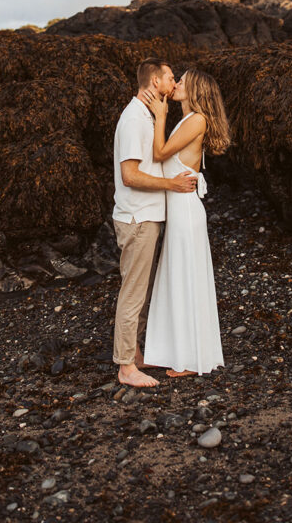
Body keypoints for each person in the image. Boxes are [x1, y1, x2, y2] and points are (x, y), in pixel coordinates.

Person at [112, 58, 197, 388]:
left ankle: (134, 355)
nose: (174, 83)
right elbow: (130, 175)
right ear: (155, 82)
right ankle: (125, 366)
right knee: (133, 293)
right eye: (170, 78)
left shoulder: (146, 116)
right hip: (138, 217)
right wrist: (172, 185)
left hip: (146, 215)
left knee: (138, 291)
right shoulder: (134, 118)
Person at [142, 68, 230, 377]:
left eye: (182, 81)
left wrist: (159, 114)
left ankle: (191, 360)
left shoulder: (195, 120)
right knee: (176, 279)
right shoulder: (189, 119)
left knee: (185, 280)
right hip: (180, 211)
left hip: (186, 212)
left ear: (194, 89)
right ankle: (170, 350)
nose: (176, 84)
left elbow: (160, 151)